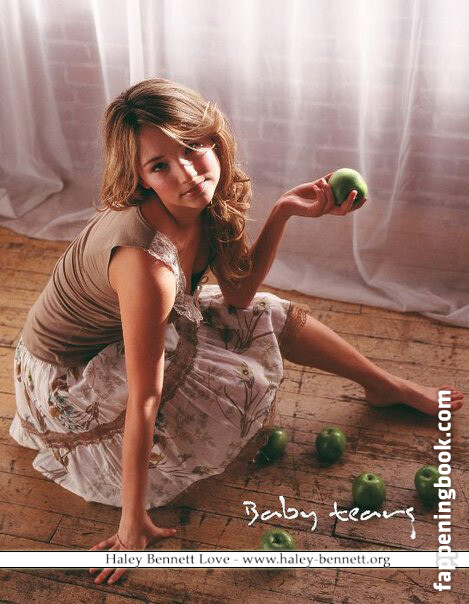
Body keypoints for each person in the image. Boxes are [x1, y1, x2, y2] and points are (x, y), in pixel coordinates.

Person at [9, 78, 464, 585]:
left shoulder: (207, 202)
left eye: (191, 148)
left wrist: (285, 210)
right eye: (160, 165)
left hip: (125, 327)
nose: (186, 173)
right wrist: (131, 524)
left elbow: (241, 293)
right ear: (140, 178)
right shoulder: (146, 264)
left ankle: (384, 386)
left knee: (266, 311)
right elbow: (144, 397)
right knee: (191, 390)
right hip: (67, 374)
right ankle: (129, 506)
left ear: (212, 138)